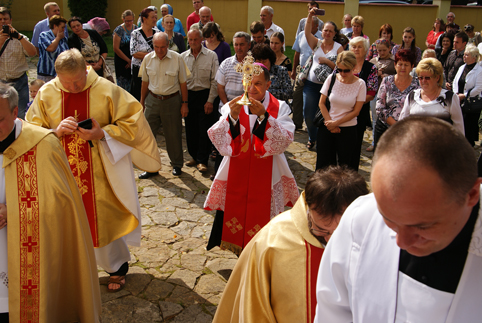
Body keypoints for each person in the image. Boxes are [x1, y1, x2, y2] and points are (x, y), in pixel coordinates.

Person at [315, 116, 482, 323]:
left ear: (472, 194)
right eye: (388, 219)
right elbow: (333, 309)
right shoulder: (361, 218)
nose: (401, 242)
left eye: (422, 226)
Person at [26, 48, 162, 293]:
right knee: (63, 222)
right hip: (61, 172)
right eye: (67, 82)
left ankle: (116, 268)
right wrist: (55, 132)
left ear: (86, 69)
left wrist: (102, 133)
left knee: (104, 218)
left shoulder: (105, 89)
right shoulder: (47, 93)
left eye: (79, 80)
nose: (75, 86)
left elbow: (133, 120)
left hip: (100, 171)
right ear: (57, 76)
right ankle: (70, 270)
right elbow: (31, 130)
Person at [212, 166, 368, 323]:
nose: (330, 241)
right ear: (308, 209)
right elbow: (253, 307)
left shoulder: (375, 238)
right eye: (321, 230)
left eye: (340, 232)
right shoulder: (272, 241)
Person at [0, 83, 101, 322]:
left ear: (15, 113)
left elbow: (60, 207)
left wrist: (12, 210)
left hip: (27, 260)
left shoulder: (42, 144)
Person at [204, 65, 299, 256]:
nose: (252, 88)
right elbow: (218, 137)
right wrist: (232, 117)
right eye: (249, 83)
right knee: (234, 210)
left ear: (268, 84)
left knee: (266, 217)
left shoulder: (279, 107)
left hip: (268, 170)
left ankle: (263, 253)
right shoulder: (234, 105)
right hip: (236, 170)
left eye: (258, 84)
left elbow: (285, 140)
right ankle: (238, 250)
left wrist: (264, 117)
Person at [139, 32, 189, 178]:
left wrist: (184, 104)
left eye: (162, 47)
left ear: (168, 45)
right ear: (152, 45)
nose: (159, 50)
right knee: (148, 135)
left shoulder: (177, 58)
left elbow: (183, 83)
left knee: (173, 134)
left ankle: (177, 164)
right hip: (152, 100)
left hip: (172, 101)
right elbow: (145, 82)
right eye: (156, 47)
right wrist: (141, 101)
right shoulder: (148, 59)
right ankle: (151, 167)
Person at [316, 51, 366, 170]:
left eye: (346, 70)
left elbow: (356, 112)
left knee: (345, 167)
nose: (342, 73)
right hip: (327, 127)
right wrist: (330, 124)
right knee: (323, 165)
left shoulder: (360, 84)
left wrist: (336, 123)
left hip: (348, 129)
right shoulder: (331, 78)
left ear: (354, 68)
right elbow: (321, 103)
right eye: (339, 69)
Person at [303, 10, 343, 151]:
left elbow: (341, 68)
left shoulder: (339, 48)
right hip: (311, 86)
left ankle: (322, 139)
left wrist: (327, 61)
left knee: (326, 115)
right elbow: (307, 33)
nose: (327, 33)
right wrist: (310, 16)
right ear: (322, 31)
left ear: (334, 33)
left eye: (330, 31)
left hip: (330, 88)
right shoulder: (317, 43)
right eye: (325, 30)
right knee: (308, 114)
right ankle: (312, 137)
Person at [181, 29, 218, 172]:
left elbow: (215, 80)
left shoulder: (211, 56)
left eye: (195, 39)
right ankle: (194, 156)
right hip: (188, 96)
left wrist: (210, 100)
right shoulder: (183, 57)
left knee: (204, 129)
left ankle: (203, 160)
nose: (193, 42)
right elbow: (181, 81)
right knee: (190, 128)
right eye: (190, 40)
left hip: (205, 95)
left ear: (201, 39)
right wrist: (183, 102)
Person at [400, 58, 464, 134]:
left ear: (437, 77)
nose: (423, 81)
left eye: (427, 78)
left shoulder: (450, 98)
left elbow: (459, 128)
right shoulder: (412, 96)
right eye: (420, 78)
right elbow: (401, 124)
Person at [375, 49, 419, 148]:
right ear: (395, 65)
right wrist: (396, 125)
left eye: (406, 64)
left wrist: (403, 127)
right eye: (400, 64)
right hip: (385, 128)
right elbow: (379, 107)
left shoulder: (417, 85)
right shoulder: (387, 81)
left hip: (408, 130)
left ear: (412, 66)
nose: (403, 67)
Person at [0, 7, 36, 119]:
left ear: (10, 20)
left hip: (19, 82)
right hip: (1, 83)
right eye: (0, 19)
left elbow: (32, 53)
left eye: (5, 19)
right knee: (3, 114)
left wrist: (19, 38)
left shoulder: (20, 37)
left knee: (21, 114)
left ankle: (20, 135)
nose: (2, 22)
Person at [350, 36, 378, 170]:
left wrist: (355, 103)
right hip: (340, 111)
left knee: (355, 144)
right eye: (354, 46)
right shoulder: (344, 64)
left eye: (359, 46)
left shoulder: (371, 68)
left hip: (359, 112)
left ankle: (352, 172)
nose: (356, 49)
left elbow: (371, 93)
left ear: (366, 49)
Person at [291, 16, 322, 130]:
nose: (305, 27)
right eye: (304, 25)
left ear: (316, 26)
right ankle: (297, 123)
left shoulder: (322, 37)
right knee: (296, 95)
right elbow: (297, 53)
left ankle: (313, 124)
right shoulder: (301, 35)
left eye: (309, 25)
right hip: (302, 70)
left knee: (312, 99)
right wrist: (294, 70)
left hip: (315, 72)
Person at [366, 38, 397, 151]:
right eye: (379, 51)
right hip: (375, 93)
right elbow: (367, 78)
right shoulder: (373, 61)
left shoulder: (395, 61)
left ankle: (390, 142)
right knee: (375, 118)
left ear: (389, 49)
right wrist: (376, 74)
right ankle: (375, 142)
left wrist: (387, 76)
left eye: (384, 50)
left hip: (391, 94)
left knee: (390, 118)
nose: (382, 53)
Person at [453, 44, 482, 147]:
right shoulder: (462, 67)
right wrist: (456, 93)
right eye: (464, 55)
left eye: (466, 55)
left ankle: (469, 146)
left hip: (471, 103)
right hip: (458, 100)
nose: (464, 57)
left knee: (469, 125)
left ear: (474, 57)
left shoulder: (479, 70)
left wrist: (464, 95)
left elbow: (478, 88)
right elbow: (456, 81)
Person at [130, 7, 159, 101]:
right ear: (144, 19)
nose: (155, 19)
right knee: (138, 95)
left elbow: (161, 51)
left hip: (154, 69)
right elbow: (134, 53)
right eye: (152, 17)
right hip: (139, 70)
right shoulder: (135, 34)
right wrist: (153, 54)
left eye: (155, 17)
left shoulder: (158, 33)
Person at [37, 15, 69, 82]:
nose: (64, 30)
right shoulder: (44, 35)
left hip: (60, 74)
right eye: (62, 27)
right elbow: (50, 48)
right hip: (46, 74)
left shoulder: (64, 39)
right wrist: (58, 38)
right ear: (55, 26)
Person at [113, 9, 137, 91]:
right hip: (122, 61)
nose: (129, 23)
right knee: (123, 85)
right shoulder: (119, 30)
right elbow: (116, 48)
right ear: (123, 20)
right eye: (127, 21)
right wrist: (128, 61)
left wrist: (132, 61)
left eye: (131, 20)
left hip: (134, 60)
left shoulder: (136, 29)